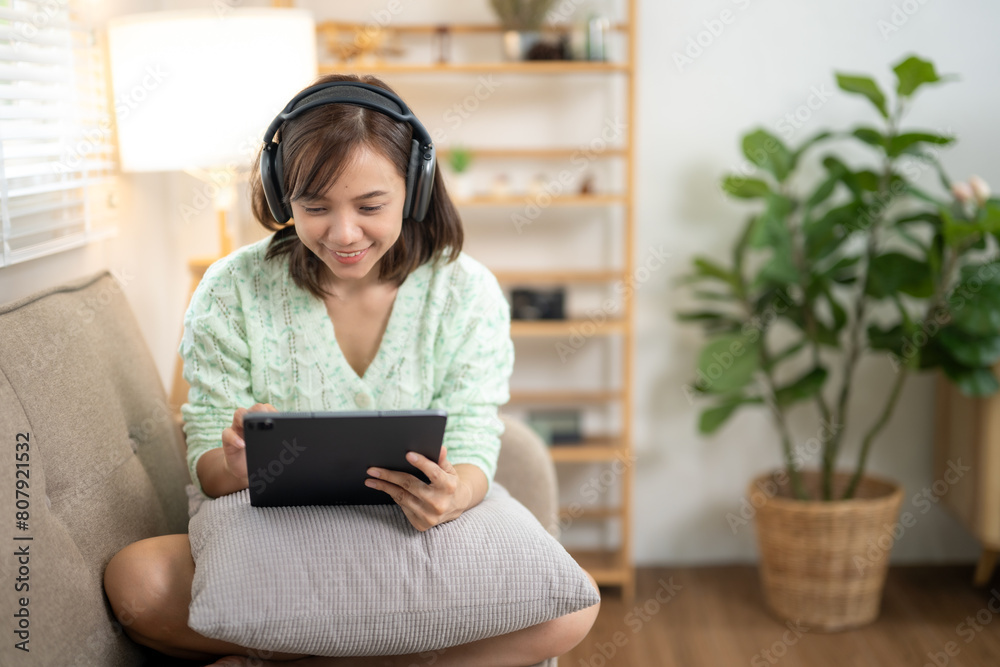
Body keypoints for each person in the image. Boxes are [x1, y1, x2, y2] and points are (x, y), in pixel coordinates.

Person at [103, 73, 600, 667]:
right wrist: (237, 468)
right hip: (284, 548)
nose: (343, 234)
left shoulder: (465, 292)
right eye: (315, 208)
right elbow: (210, 465)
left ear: (414, 188)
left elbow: (473, 441)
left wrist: (453, 494)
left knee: (572, 605)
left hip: (414, 540)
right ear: (281, 195)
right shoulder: (231, 290)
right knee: (137, 580)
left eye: (370, 206)